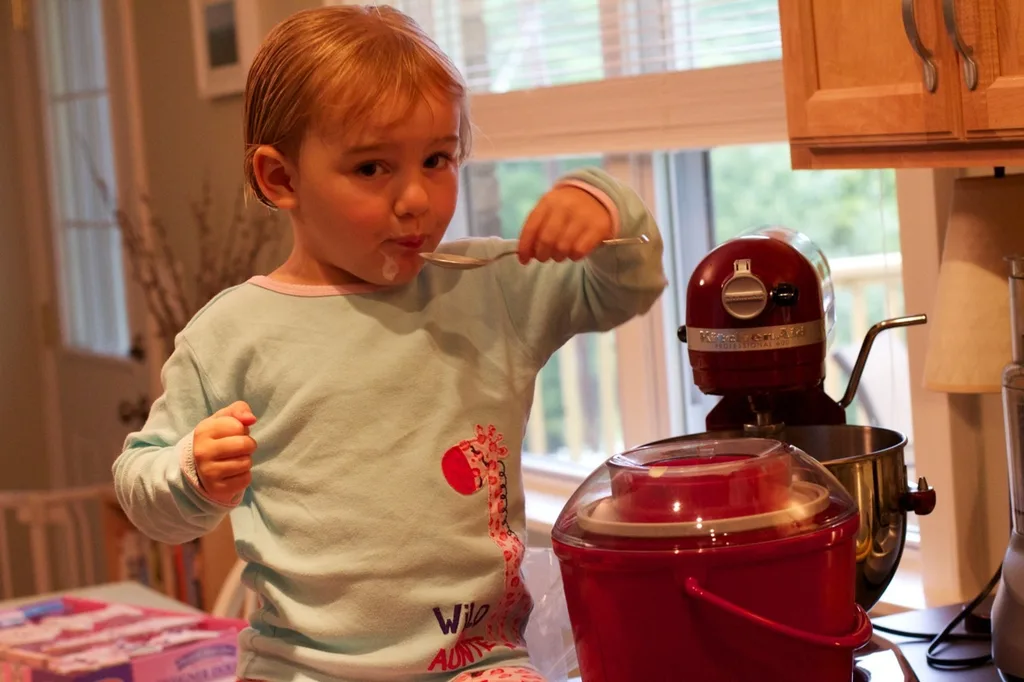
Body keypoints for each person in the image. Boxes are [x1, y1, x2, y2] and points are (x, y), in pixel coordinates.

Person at [112, 5, 666, 681]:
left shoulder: (492, 288)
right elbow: (142, 487)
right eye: (372, 168)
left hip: (480, 660)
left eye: (437, 159)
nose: (416, 199)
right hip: (303, 670)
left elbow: (625, 286)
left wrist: (603, 207)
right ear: (280, 179)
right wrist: (191, 472)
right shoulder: (230, 334)